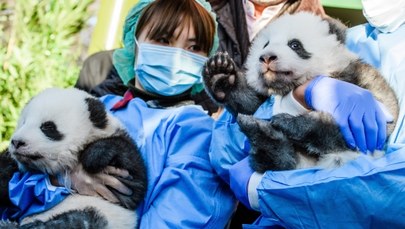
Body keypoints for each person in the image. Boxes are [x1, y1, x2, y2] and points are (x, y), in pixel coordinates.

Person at [2, 0, 236, 228]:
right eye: (163, 40)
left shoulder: (198, 132)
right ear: (134, 42)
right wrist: (62, 180)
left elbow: (180, 217)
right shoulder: (97, 106)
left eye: (194, 48)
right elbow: (14, 185)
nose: (177, 55)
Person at [219, 0, 405, 227]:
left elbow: (390, 194)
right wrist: (296, 97)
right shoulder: (354, 37)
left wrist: (266, 188)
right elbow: (224, 150)